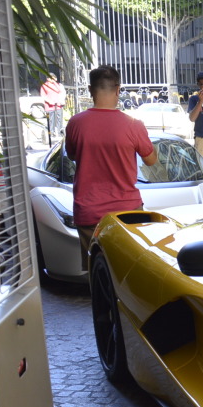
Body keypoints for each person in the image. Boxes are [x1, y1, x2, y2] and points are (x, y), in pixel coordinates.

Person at [64, 65, 157, 273]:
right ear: (118, 89)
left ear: (90, 89)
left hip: (88, 210)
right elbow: (151, 160)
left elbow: (72, 155)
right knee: (132, 273)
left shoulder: (75, 123)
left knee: (98, 274)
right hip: (127, 211)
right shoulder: (134, 125)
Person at [41, 72, 65, 142]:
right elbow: (43, 96)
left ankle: (59, 131)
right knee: (51, 119)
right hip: (50, 105)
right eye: (50, 78)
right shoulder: (44, 85)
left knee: (59, 118)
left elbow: (60, 91)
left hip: (58, 104)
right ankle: (50, 132)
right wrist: (49, 101)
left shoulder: (58, 85)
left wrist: (54, 82)